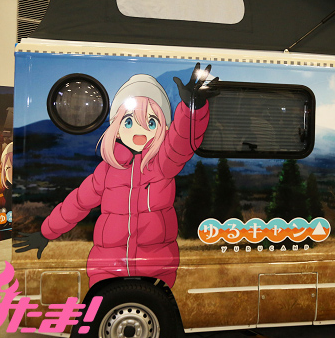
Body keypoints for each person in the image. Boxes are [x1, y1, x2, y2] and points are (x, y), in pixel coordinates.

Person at [14, 64, 218, 288]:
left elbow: (181, 142)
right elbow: (78, 203)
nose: (140, 132)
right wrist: (46, 233)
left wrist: (192, 109)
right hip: (106, 268)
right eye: (129, 121)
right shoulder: (107, 170)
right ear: (117, 128)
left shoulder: (162, 164)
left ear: (164, 129)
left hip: (156, 268)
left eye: (151, 123)